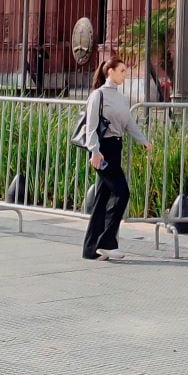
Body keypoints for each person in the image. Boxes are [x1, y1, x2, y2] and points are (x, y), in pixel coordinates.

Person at [75, 52, 151, 261]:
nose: (125, 75)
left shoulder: (120, 97)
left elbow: (128, 124)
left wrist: (142, 140)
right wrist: (95, 151)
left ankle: (90, 249)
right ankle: (107, 242)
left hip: (116, 147)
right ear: (110, 71)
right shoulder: (98, 95)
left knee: (101, 200)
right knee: (122, 193)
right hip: (103, 149)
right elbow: (90, 127)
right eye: (122, 71)